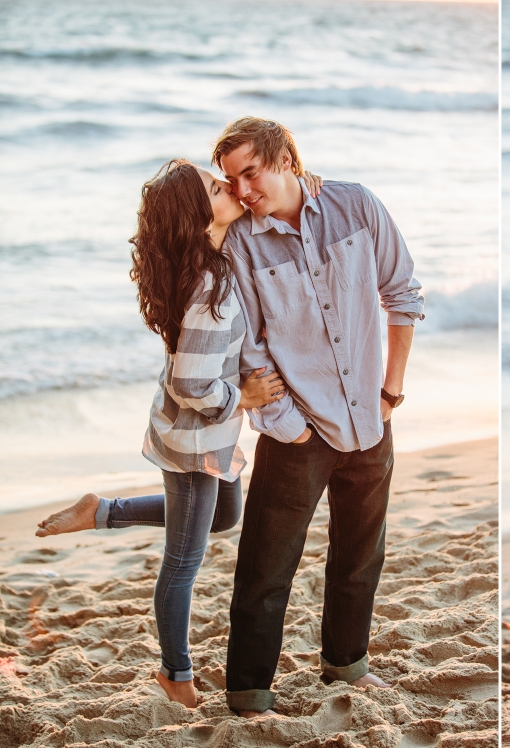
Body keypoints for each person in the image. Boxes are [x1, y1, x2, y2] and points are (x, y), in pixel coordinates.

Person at [33, 160, 321, 707]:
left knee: (225, 517)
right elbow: (192, 382)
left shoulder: (203, 258)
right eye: (217, 188)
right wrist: (246, 397)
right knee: (183, 561)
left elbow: (272, 193)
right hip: (193, 441)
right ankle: (175, 674)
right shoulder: (207, 282)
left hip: (201, 434)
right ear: (197, 215)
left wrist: (308, 180)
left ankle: (103, 511)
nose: (231, 189)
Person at [212, 117, 424, 717]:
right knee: (266, 567)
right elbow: (246, 347)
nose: (244, 190)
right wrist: (289, 423)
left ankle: (346, 664)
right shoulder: (240, 244)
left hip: (370, 420)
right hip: (297, 431)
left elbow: (402, 292)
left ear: (287, 159)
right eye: (232, 180)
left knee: (361, 555)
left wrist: (390, 395)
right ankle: (250, 692)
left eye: (251, 172)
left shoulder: (356, 206)